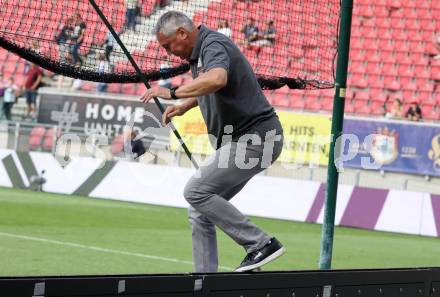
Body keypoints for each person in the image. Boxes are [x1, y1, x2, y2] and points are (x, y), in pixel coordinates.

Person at [140, 11, 285, 273]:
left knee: (195, 191)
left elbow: (217, 78)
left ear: (182, 33)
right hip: (248, 140)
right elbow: (211, 86)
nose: (169, 52)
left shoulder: (212, 44)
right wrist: (185, 106)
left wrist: (171, 92)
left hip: (255, 138)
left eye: (168, 45)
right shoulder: (200, 53)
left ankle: (261, 244)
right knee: (199, 210)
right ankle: (205, 280)